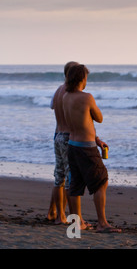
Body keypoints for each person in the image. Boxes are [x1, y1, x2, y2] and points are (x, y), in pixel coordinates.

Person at [63, 64, 121, 233]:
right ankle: (102, 223)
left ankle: (76, 223)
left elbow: (80, 122)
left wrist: (96, 139)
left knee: (75, 184)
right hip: (86, 149)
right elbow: (99, 118)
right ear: (82, 79)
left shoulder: (66, 96)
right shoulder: (87, 97)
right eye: (86, 78)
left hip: (72, 145)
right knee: (101, 181)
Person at [47, 61, 78, 225]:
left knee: (58, 178)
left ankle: (56, 214)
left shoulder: (58, 90)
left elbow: (52, 106)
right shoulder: (70, 92)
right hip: (67, 137)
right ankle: (64, 216)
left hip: (57, 134)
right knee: (69, 177)